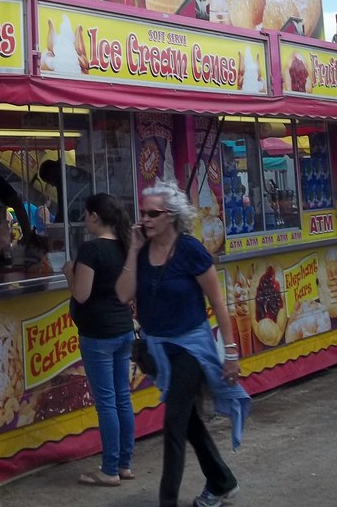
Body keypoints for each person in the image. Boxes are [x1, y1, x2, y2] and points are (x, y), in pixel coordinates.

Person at [115, 181, 250, 507]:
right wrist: (132, 249)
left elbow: (219, 303)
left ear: (171, 216)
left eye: (152, 213)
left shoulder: (190, 250)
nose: (144, 219)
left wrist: (230, 352)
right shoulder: (143, 252)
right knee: (188, 421)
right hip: (159, 350)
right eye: (142, 213)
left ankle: (167, 501)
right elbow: (122, 295)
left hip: (191, 348)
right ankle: (222, 480)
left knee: (174, 423)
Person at [61, 193, 135, 486]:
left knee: (106, 403)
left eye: (86, 215)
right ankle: (124, 464)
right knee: (122, 398)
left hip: (98, 335)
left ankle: (109, 469)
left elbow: (81, 294)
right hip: (123, 329)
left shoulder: (91, 251)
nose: (84, 221)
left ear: (94, 216)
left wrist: (69, 273)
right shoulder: (125, 246)